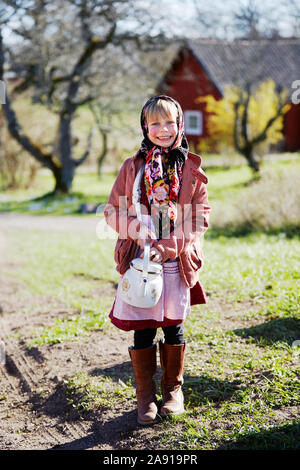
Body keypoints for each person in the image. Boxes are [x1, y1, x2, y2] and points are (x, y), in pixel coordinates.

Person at [104, 95, 210, 425]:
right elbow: (112, 211)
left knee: (173, 325)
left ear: (179, 125)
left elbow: (199, 217)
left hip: (175, 260)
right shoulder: (131, 167)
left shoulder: (190, 168)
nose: (162, 130)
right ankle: (145, 398)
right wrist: (134, 228)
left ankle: (173, 392)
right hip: (140, 261)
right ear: (144, 127)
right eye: (155, 123)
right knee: (144, 328)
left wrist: (169, 246)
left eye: (169, 122)